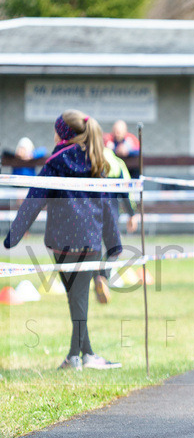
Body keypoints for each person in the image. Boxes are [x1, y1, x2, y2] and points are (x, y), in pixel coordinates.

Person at [3, 110, 123, 370]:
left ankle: (76, 356)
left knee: (76, 298)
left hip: (61, 243)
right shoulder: (96, 160)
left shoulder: (54, 162)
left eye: (55, 129)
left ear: (63, 133)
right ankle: (84, 355)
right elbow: (107, 205)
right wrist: (114, 243)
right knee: (77, 298)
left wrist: (13, 236)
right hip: (90, 241)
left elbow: (34, 198)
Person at [94, 146, 140, 304]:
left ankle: (96, 277)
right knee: (115, 249)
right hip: (110, 212)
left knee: (93, 247)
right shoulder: (116, 163)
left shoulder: (88, 159)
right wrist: (132, 214)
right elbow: (124, 192)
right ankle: (102, 276)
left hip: (88, 212)